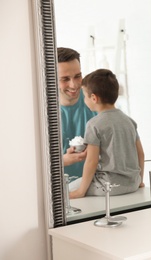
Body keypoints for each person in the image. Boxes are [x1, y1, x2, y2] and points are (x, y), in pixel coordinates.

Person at [69, 69, 145, 199]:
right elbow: (140, 154)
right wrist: (140, 181)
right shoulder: (129, 121)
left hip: (108, 186)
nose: (84, 100)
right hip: (132, 183)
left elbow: (91, 161)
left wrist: (80, 191)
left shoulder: (94, 124)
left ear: (94, 98)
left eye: (85, 97)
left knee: (66, 189)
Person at [58, 47, 96, 178]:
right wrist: (62, 161)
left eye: (77, 76)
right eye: (65, 79)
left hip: (94, 188)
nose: (73, 85)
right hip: (57, 192)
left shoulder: (96, 103)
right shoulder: (40, 113)